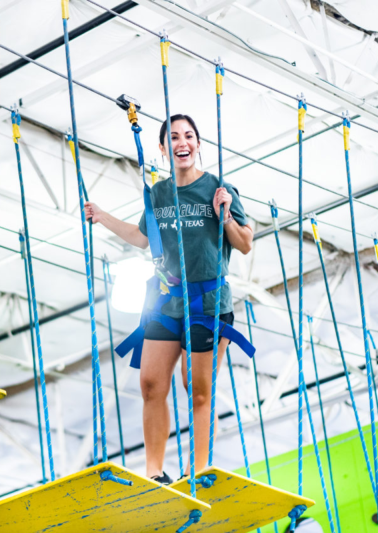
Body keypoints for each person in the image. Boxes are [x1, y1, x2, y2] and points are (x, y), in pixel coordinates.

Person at [85, 114, 253, 483]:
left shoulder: (219, 188)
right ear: (163, 149)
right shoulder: (158, 193)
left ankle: (199, 468)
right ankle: (155, 472)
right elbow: (142, 237)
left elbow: (244, 243)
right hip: (164, 300)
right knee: (151, 385)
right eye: (173, 137)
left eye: (189, 136)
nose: (182, 142)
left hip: (207, 305)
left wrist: (223, 215)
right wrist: (101, 216)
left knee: (196, 389)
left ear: (198, 144)